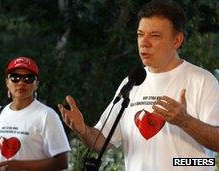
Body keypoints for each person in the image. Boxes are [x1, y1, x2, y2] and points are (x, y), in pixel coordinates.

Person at [58, 0, 219, 171]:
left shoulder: (202, 80)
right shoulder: (132, 82)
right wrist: (82, 130)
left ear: (177, 40)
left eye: (155, 36)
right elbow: (101, 141)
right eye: (140, 34)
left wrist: (185, 121)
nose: (144, 42)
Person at [0, 57, 70, 171]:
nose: (21, 83)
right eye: (15, 78)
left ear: (36, 84)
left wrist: (21, 165)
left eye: (28, 78)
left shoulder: (47, 115)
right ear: (7, 82)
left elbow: (62, 162)